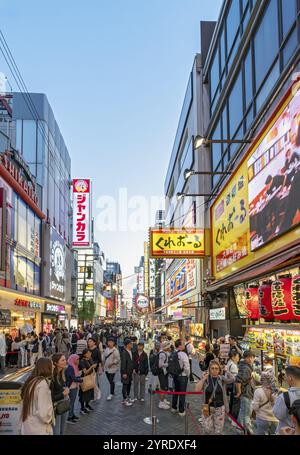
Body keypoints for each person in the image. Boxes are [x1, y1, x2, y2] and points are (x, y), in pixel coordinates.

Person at [196, 359, 234, 435]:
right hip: (207, 407)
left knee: (218, 430)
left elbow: (233, 379)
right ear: (209, 369)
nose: (214, 370)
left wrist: (227, 371)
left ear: (219, 370)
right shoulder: (206, 379)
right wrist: (203, 379)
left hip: (220, 408)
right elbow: (197, 389)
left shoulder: (222, 379)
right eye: (212, 368)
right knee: (207, 428)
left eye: (216, 368)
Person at [20, 358, 54, 435]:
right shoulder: (42, 384)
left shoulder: (32, 380)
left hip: (29, 424)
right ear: (46, 367)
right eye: (51, 365)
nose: (53, 367)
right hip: (38, 428)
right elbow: (43, 412)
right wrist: (49, 419)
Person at [273, 365, 300, 434]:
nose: (285, 378)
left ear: (290, 378)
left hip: (287, 430)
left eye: (285, 376)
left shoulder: (284, 397)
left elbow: (278, 415)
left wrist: (274, 400)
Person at [235, 350, 256, 435]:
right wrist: (239, 391)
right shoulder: (245, 368)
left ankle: (240, 429)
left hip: (246, 392)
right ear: (245, 358)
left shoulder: (246, 366)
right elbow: (238, 380)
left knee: (243, 411)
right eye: (248, 357)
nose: (250, 359)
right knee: (247, 413)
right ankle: (248, 431)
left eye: (251, 357)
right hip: (246, 393)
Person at [252, 370, 278, 435]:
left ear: (262, 380)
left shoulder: (258, 391)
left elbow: (255, 407)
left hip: (262, 418)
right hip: (274, 419)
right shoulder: (275, 391)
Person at [51, 353, 70, 435]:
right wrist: (63, 393)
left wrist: (64, 390)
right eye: (62, 360)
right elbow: (50, 398)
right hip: (56, 406)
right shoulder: (52, 377)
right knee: (57, 430)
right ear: (56, 363)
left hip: (64, 403)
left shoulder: (61, 373)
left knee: (63, 428)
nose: (65, 361)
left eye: (65, 359)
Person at [171, 339, 190, 416]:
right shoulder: (183, 354)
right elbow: (187, 366)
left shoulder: (174, 353)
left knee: (176, 391)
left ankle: (174, 407)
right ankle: (181, 410)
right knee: (182, 393)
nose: (184, 345)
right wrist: (188, 374)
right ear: (179, 346)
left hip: (175, 375)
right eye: (183, 344)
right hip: (183, 376)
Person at [78, 349, 97, 414]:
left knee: (89, 392)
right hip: (85, 379)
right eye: (88, 353)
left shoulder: (90, 359)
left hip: (90, 378)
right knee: (84, 393)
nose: (90, 354)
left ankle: (87, 405)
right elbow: (85, 372)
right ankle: (82, 408)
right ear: (85, 354)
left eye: (90, 353)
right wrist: (92, 366)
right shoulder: (82, 361)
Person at [65, 354, 83, 424]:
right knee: (71, 402)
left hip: (75, 386)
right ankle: (69, 417)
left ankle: (72, 415)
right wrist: (80, 380)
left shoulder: (75, 366)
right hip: (71, 387)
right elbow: (72, 378)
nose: (78, 360)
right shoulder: (70, 367)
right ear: (73, 359)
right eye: (77, 359)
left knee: (73, 402)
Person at [225, 351, 240, 422]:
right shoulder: (233, 365)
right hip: (232, 385)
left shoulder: (229, 362)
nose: (238, 358)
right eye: (237, 356)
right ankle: (232, 417)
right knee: (233, 401)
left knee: (231, 400)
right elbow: (235, 378)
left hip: (228, 384)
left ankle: (230, 415)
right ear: (233, 357)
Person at [120, 338, 135, 406]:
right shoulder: (124, 352)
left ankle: (128, 397)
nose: (132, 344)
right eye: (131, 343)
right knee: (125, 385)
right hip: (125, 372)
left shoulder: (130, 351)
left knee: (129, 384)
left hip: (130, 372)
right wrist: (124, 373)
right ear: (127, 345)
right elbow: (123, 363)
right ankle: (124, 400)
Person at [158, 341, 171, 410]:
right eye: (169, 346)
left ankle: (163, 399)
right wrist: (168, 364)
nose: (170, 348)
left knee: (164, 387)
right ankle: (161, 402)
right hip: (162, 373)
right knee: (163, 387)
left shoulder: (165, 353)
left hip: (164, 373)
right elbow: (160, 364)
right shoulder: (162, 354)